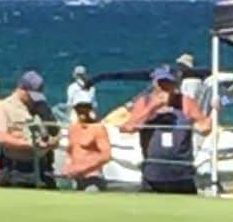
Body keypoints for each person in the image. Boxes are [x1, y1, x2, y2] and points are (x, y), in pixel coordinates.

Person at [122, 65, 212, 194]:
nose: (165, 88)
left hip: (182, 174)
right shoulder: (145, 102)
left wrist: (210, 117)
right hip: (153, 174)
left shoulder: (185, 102)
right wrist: (152, 108)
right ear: (155, 83)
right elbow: (128, 128)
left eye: (168, 83)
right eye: (161, 83)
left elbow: (204, 128)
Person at [0, 70, 59, 189]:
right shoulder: (4, 107)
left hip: (43, 169)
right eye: (31, 95)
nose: (34, 99)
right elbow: (0, 137)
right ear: (21, 89)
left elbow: (55, 131)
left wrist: (50, 142)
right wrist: (28, 145)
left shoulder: (42, 107)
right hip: (16, 170)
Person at [65, 97, 112, 190]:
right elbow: (70, 151)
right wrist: (68, 167)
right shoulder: (73, 128)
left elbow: (106, 156)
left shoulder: (98, 128)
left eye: (86, 108)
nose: (83, 111)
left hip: (93, 178)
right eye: (79, 108)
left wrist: (83, 168)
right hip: (75, 178)